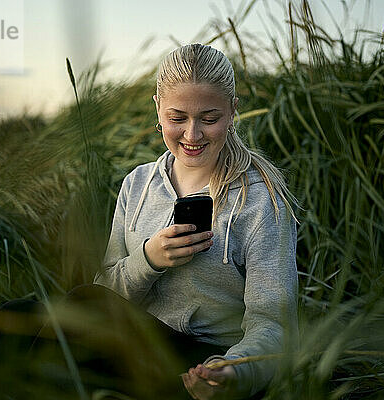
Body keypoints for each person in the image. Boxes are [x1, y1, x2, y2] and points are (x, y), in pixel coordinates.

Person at [94, 43, 299, 399]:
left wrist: (233, 372)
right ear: (157, 108)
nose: (192, 135)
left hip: (208, 362)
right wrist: (149, 259)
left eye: (209, 118)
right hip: (136, 346)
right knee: (25, 313)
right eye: (177, 118)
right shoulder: (136, 184)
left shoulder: (261, 200)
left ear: (233, 111)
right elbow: (103, 292)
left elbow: (274, 324)